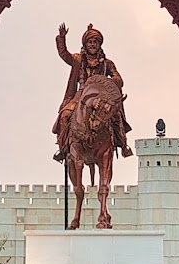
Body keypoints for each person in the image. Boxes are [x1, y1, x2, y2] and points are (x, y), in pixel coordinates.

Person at [52, 22, 133, 163]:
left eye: (95, 42)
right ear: (85, 44)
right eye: (90, 41)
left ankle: (123, 144)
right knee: (65, 115)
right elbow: (64, 54)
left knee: (115, 115)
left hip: (101, 96)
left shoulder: (107, 63)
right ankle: (63, 148)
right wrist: (61, 38)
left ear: (99, 44)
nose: (92, 44)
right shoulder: (78, 59)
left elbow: (118, 79)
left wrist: (108, 82)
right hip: (81, 95)